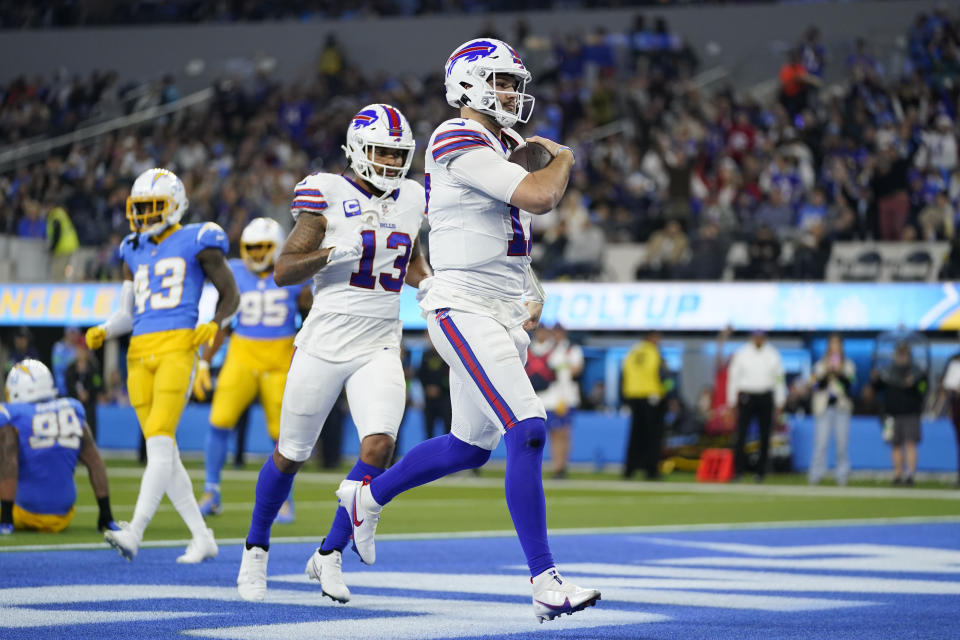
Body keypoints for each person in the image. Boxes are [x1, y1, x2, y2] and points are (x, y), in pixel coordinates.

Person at [335, 39, 600, 623]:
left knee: (469, 447)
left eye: (513, 83)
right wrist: (563, 159)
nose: (512, 93)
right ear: (470, 83)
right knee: (528, 429)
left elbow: (501, 229)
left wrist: (526, 287)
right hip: (462, 306)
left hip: (496, 307)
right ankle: (544, 581)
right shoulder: (457, 135)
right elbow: (541, 195)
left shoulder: (494, 146)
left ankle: (367, 496)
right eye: (501, 82)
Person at [236, 104, 431, 604]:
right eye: (382, 152)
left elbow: (408, 258)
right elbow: (283, 271)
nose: (390, 162)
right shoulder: (326, 191)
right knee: (291, 454)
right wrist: (329, 254)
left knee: (379, 448)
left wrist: (429, 283)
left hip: (380, 340)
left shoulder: (412, 197)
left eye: (398, 154)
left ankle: (329, 553)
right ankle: (255, 550)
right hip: (323, 342)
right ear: (358, 150)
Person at [85, 167, 240, 563]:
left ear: (175, 205)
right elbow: (127, 313)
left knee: (158, 446)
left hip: (177, 348)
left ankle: (134, 532)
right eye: (140, 208)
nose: (145, 216)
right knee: (164, 450)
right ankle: (202, 537)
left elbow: (230, 295)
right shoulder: (131, 249)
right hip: (138, 353)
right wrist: (105, 329)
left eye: (154, 207)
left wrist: (214, 324)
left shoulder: (198, 239)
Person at [193, 217, 312, 520]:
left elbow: (311, 318)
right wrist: (205, 361)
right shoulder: (233, 272)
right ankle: (211, 491)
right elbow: (223, 321)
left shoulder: (294, 274)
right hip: (242, 355)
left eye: (263, 247)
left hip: (279, 357)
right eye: (252, 247)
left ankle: (284, 498)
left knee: (283, 433)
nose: (257, 253)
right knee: (219, 420)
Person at [0, 359, 116, 534]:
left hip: (21, 513)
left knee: (6, 437)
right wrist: (106, 513)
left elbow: (9, 461)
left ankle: (6, 520)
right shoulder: (72, 409)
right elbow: (95, 463)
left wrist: (7, 518)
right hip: (62, 517)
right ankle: (107, 518)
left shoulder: (11, 414)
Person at [727, 331, 786, 482]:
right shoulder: (742, 353)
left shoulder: (773, 354)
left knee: (765, 435)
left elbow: (779, 379)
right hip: (747, 396)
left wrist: (780, 401)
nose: (758, 338)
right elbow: (733, 378)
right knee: (741, 434)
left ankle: (761, 472)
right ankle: (738, 470)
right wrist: (731, 402)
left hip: (765, 396)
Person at [527, 324, 583, 478]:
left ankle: (560, 467)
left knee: (560, 433)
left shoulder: (561, 351)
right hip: (536, 398)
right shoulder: (529, 348)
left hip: (556, 397)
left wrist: (563, 399)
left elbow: (568, 373)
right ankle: (532, 468)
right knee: (533, 436)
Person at [872, 342, 928, 486]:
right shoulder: (887, 371)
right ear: (895, 355)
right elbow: (876, 388)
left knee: (910, 444)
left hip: (911, 413)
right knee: (894, 445)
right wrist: (875, 379)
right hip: (890, 413)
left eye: (904, 353)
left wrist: (915, 383)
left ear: (909, 355)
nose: (902, 356)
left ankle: (910, 475)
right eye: (900, 353)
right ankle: (897, 474)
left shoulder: (916, 372)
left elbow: (924, 390)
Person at [808, 334, 856, 486]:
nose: (834, 348)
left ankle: (842, 474)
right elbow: (814, 386)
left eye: (837, 344)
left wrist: (839, 372)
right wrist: (827, 373)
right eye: (832, 344)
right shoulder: (819, 365)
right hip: (823, 408)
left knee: (842, 443)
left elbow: (850, 386)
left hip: (841, 408)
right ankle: (816, 473)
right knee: (820, 443)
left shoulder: (849, 365)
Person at [621, 331, 668, 480]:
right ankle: (651, 469)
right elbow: (662, 376)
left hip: (633, 396)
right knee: (653, 436)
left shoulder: (632, 352)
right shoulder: (654, 352)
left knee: (635, 435)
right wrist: (669, 394)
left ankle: (630, 468)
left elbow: (624, 374)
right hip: (651, 396)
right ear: (651, 338)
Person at [417, 333, 452, 440]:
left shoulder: (447, 354)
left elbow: (450, 375)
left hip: (445, 399)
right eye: (428, 336)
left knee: (448, 431)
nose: (431, 339)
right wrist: (427, 388)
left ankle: (448, 456)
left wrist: (440, 388)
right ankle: (429, 455)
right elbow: (421, 375)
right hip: (429, 400)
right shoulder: (425, 355)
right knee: (428, 431)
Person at [65, 347, 104, 440]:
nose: (81, 353)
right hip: (74, 401)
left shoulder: (93, 368)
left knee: (90, 425)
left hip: (89, 402)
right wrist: (77, 393)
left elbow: (98, 384)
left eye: (83, 351)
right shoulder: (71, 368)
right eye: (79, 351)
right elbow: (68, 383)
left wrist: (88, 392)